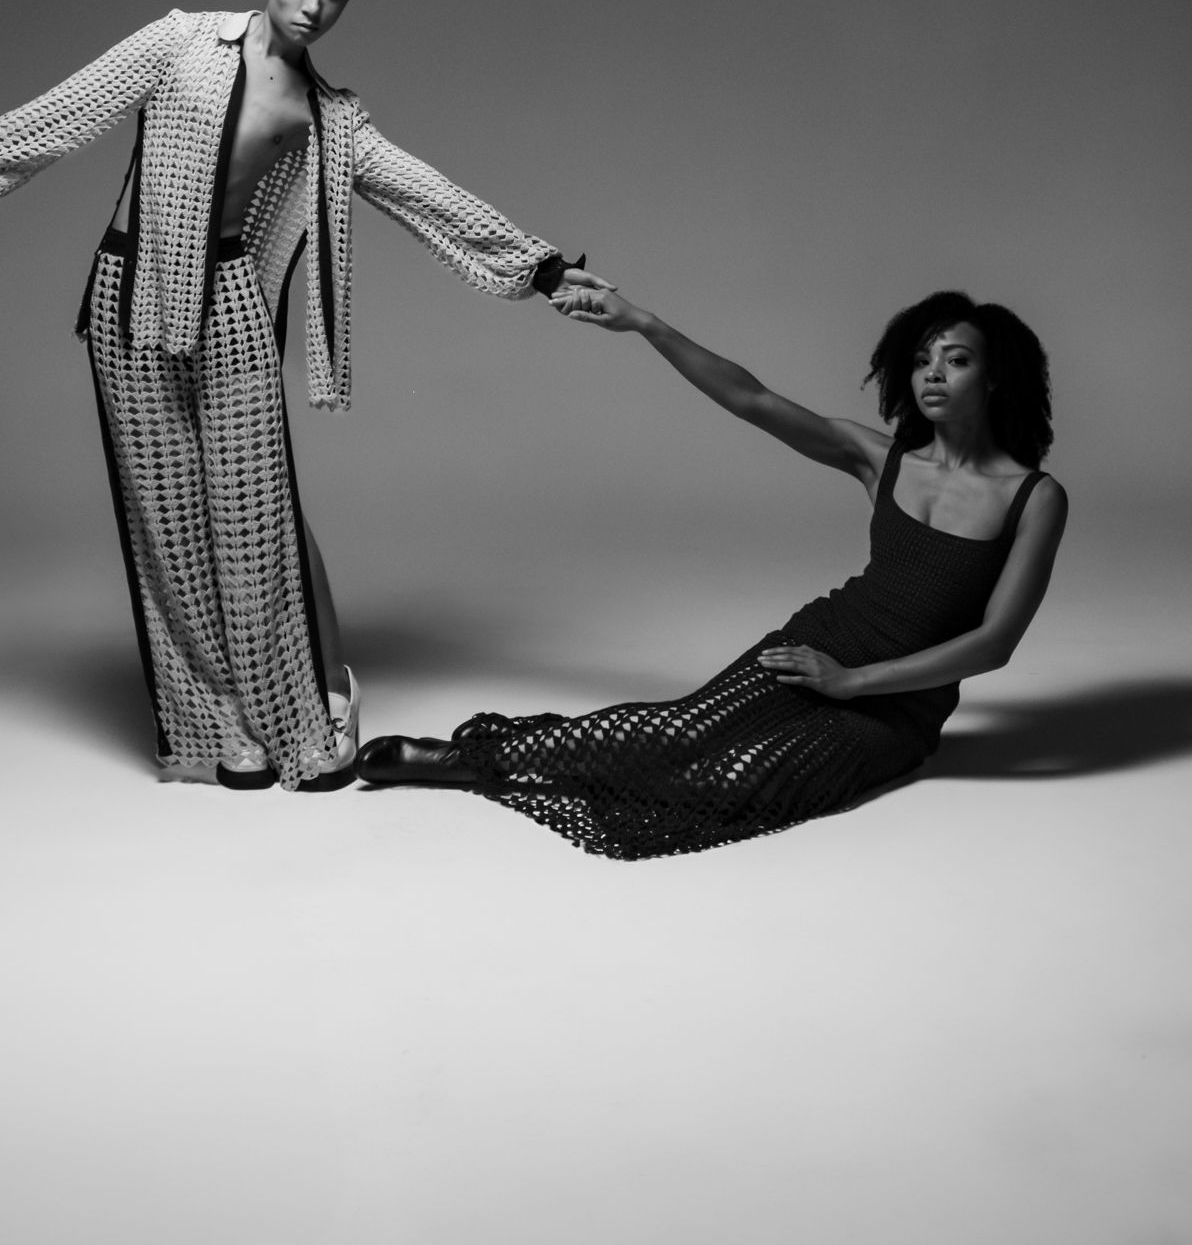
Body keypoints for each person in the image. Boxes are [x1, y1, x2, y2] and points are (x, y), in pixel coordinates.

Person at [0, 0, 590, 793]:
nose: (311, 4)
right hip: (131, 294)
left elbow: (425, 193)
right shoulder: (179, 41)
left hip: (228, 306)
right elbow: (71, 106)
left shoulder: (328, 117)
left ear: (347, 4)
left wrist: (538, 270)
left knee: (253, 514)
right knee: (168, 522)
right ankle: (220, 728)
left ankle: (296, 726)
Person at [356, 283, 1068, 859]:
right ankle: (463, 760)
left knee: (723, 783)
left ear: (996, 376)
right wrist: (646, 324)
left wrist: (850, 684)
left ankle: (506, 764)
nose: (931, 375)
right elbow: (751, 399)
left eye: (955, 360)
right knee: (674, 734)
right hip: (823, 642)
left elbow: (993, 643)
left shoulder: (1033, 498)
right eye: (920, 360)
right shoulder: (880, 458)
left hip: (896, 704)